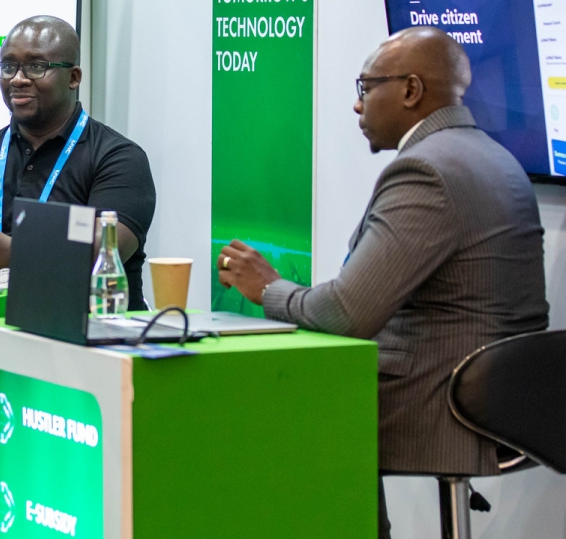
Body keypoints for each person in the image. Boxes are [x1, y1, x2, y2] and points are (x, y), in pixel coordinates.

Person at [215, 27, 549, 538]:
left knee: (285, 406)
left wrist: (267, 288)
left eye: (366, 88)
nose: (357, 106)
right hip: (499, 390)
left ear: (411, 91)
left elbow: (347, 314)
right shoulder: (492, 156)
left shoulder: (427, 170)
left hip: (448, 397)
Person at [0, 15, 156, 307]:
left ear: (74, 77)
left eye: (36, 67)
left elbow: (105, 250)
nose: (18, 78)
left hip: (92, 333)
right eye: (9, 66)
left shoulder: (118, 158)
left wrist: (12, 252)